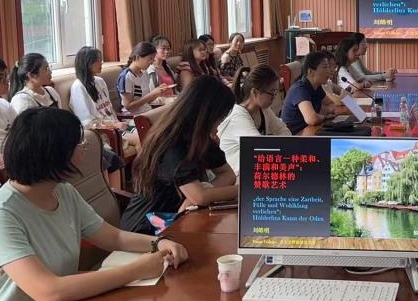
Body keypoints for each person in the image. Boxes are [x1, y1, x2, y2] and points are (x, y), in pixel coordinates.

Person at [0, 107, 188, 301]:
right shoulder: (1, 215)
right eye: (78, 143)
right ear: (55, 153)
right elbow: (49, 291)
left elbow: (112, 237)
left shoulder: (63, 192)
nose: (84, 148)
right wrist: (136, 270)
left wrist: (160, 242)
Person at [121, 75, 238, 234]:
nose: (219, 124)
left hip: (178, 219)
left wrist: (202, 193)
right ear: (207, 115)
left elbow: (227, 174)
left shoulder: (199, 137)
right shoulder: (173, 144)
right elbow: (200, 197)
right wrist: (244, 191)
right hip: (147, 228)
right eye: (220, 118)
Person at [69, 47, 139, 181]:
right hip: (105, 131)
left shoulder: (99, 81)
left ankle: (138, 178)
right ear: (88, 64)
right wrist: (115, 125)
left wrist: (118, 123)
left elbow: (109, 109)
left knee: (147, 134)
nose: (101, 63)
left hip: (117, 126)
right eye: (98, 61)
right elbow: (87, 122)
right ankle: (139, 179)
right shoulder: (78, 87)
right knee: (142, 138)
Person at [218, 65, 291, 175]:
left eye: (276, 92)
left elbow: (285, 132)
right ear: (255, 92)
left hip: (253, 171)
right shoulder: (238, 117)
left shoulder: (263, 109)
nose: (274, 97)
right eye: (272, 93)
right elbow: (260, 148)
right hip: (236, 176)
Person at [280, 51, 338, 135]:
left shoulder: (317, 87)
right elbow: (311, 119)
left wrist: (326, 111)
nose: (329, 71)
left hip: (309, 131)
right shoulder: (300, 89)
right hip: (294, 136)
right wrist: (324, 116)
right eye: (324, 67)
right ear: (310, 71)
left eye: (328, 67)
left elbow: (331, 104)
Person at [117, 41, 174, 114]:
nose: (152, 62)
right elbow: (128, 106)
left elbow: (147, 102)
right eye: (150, 59)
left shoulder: (144, 73)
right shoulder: (126, 77)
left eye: (153, 59)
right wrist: (152, 94)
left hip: (147, 112)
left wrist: (157, 93)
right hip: (133, 116)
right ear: (137, 57)